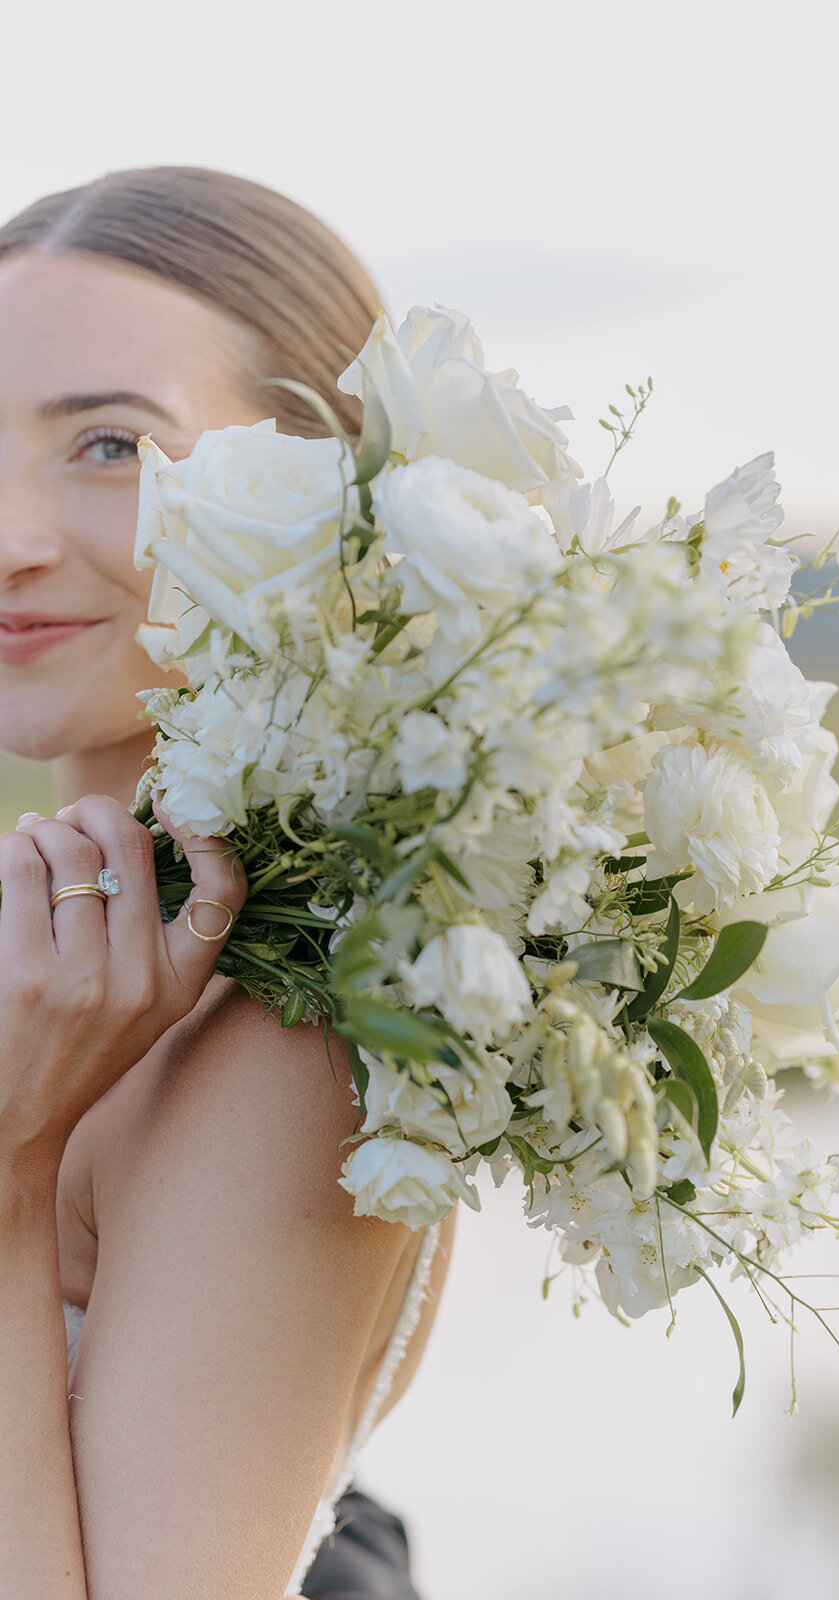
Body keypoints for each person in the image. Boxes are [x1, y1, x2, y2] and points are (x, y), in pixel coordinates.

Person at [0, 166, 455, 1599]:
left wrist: (5, 1172)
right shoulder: (55, 952)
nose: (9, 535)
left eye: (113, 447)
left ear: (332, 490)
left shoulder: (285, 1031)